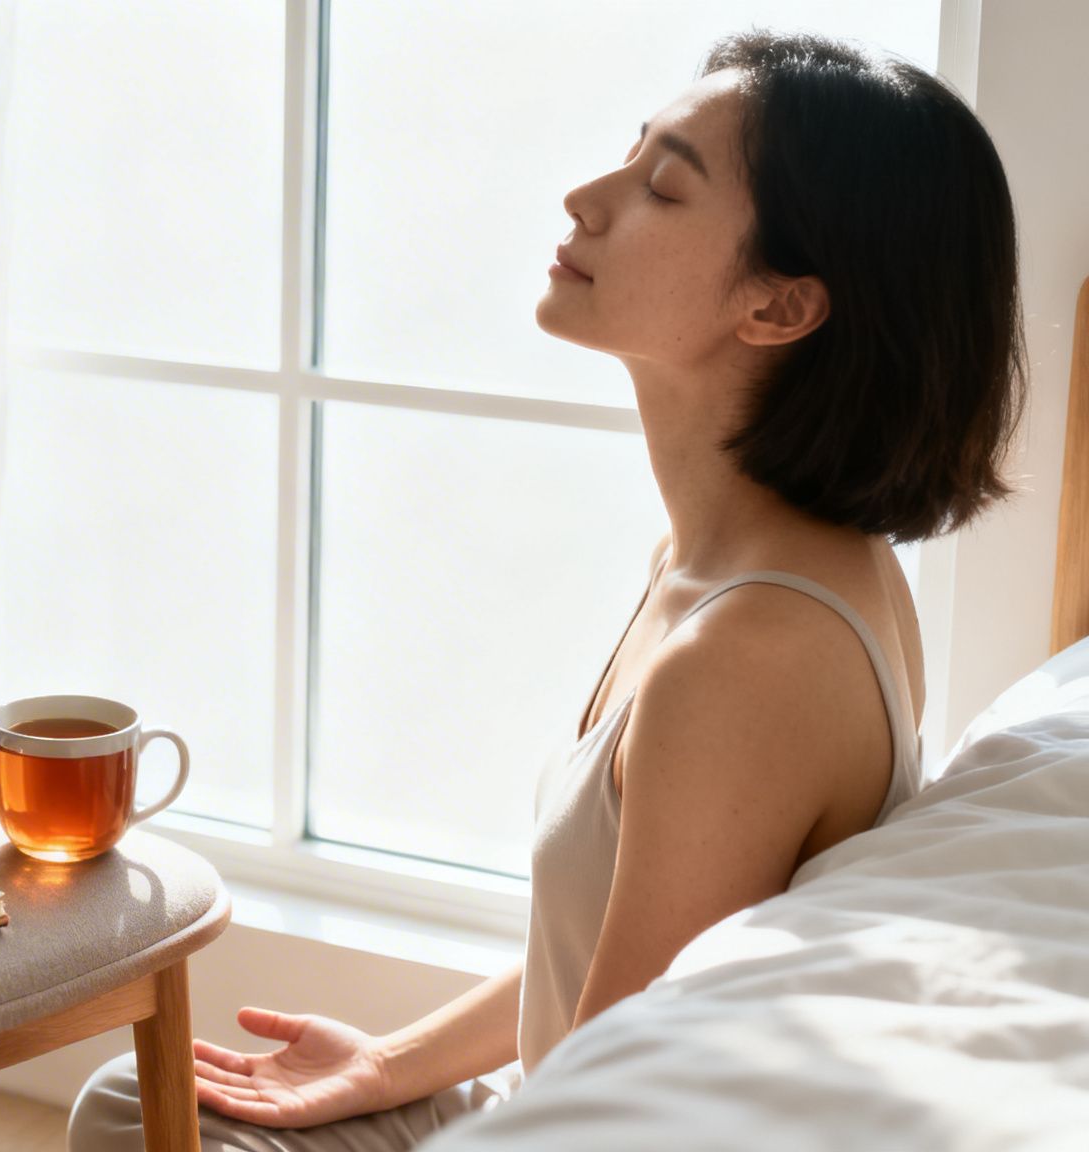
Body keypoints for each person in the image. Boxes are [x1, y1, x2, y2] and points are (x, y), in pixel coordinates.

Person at [68, 27, 1025, 1151]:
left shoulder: (750, 656)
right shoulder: (732, 563)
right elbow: (638, 943)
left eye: (662, 186)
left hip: (580, 1124)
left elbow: (609, 1104)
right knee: (141, 1104)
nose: (583, 196)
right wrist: (384, 1063)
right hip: (557, 1088)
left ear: (777, 308)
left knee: (146, 1133)